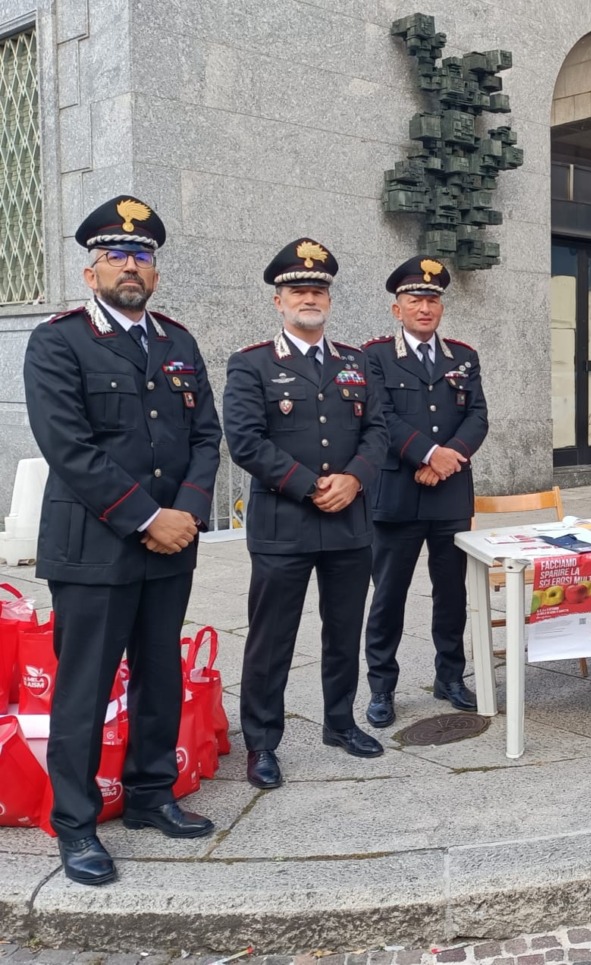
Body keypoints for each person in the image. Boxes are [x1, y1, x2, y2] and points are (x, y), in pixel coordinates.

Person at [23, 195, 222, 885]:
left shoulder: (178, 342)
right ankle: (74, 824)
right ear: (91, 272)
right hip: (96, 545)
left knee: (161, 674)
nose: (130, 265)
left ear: (156, 273)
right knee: (85, 687)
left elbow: (205, 436)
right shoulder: (58, 340)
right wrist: (148, 516)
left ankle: (148, 793)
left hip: (173, 543)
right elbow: (69, 447)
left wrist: (189, 511)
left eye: (142, 256)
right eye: (116, 255)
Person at [223, 238, 389, 789]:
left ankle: (339, 723)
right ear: (279, 301)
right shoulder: (251, 365)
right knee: (273, 640)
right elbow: (244, 441)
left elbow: (378, 431)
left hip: (348, 521)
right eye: (298, 290)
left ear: (329, 299)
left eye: (317, 289)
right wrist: (309, 484)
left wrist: (355, 478)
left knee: (343, 631)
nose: (308, 298)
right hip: (283, 525)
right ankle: (262, 744)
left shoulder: (356, 362)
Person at [362, 257, 488, 722]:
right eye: (415, 300)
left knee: (451, 593)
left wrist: (446, 456)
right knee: (388, 595)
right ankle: (382, 687)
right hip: (396, 495)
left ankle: (450, 675)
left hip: (449, 493)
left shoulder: (463, 357)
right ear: (397, 309)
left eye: (432, 300)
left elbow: (477, 417)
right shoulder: (373, 356)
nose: (424, 308)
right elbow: (379, 418)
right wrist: (426, 454)